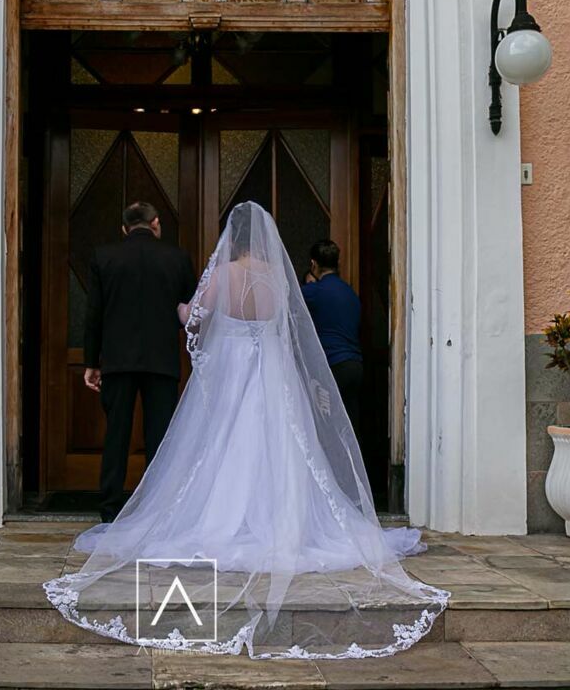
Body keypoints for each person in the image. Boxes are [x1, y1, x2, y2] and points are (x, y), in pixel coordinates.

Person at [46, 202, 446, 660]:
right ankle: (282, 520)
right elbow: (291, 327)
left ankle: (220, 518)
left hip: (232, 372)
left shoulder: (223, 275)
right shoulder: (278, 279)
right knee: (280, 445)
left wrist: (180, 309)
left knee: (221, 444)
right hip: (271, 375)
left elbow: (194, 319)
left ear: (230, 242)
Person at [82, 200, 197, 524]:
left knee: (116, 434)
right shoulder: (177, 258)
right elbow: (191, 311)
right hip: (161, 359)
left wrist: (92, 361)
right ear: (156, 223)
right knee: (159, 437)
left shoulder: (104, 257)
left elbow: (94, 315)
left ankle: (110, 508)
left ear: (124, 228)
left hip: (118, 360)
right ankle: (155, 510)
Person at [302, 238, 363, 439]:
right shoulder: (350, 293)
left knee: (326, 428)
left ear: (313, 264)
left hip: (333, 367)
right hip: (355, 366)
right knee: (350, 428)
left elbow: (289, 302)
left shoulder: (315, 291)